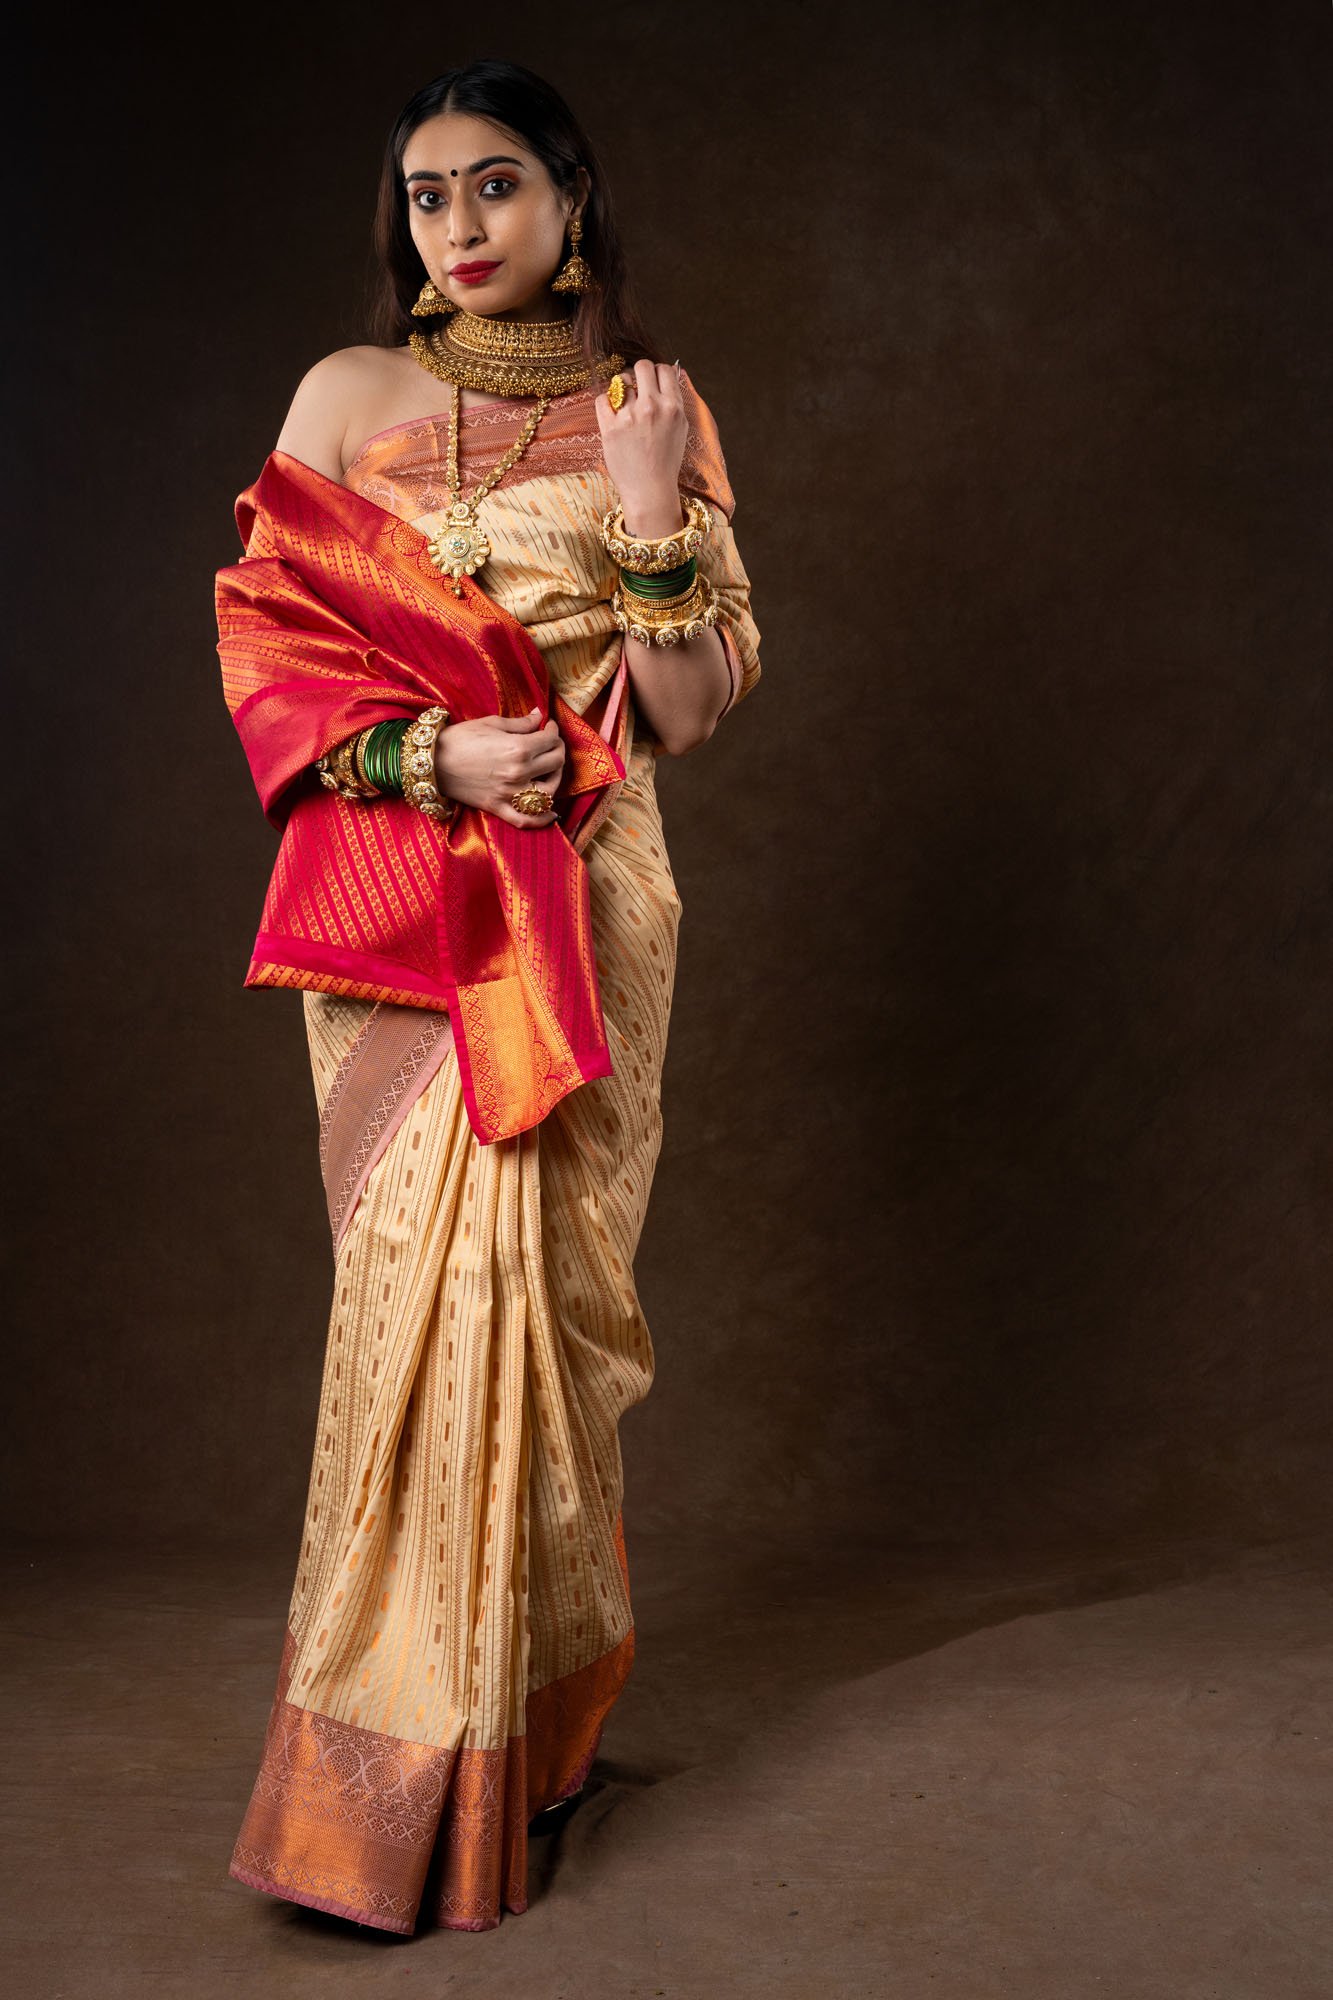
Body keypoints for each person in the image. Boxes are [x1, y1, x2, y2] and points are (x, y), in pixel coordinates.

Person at [217, 57, 761, 1936]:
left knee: (543, 1315)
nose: (458, 226)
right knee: (420, 1308)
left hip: (588, 907)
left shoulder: (650, 407)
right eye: (427, 195)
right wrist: (430, 759)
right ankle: (381, 1796)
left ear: (573, 201)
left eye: (498, 184)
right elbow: (272, 658)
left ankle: (518, 1748)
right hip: (405, 915)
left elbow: (684, 708)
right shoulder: (344, 398)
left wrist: (646, 505)